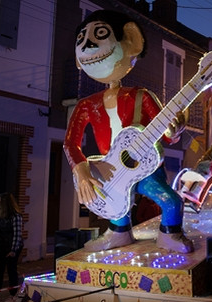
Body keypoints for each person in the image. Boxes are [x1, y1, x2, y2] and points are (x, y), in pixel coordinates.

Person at [63, 10, 192, 253]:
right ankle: (118, 231)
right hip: (109, 172)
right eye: (81, 39)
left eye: (100, 34)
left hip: (145, 168)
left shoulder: (141, 96)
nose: (88, 44)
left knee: (171, 202)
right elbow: (71, 143)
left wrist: (176, 128)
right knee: (116, 206)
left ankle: (170, 234)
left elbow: (166, 135)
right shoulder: (85, 105)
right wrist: (81, 171)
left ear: (132, 42)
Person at [0, 192, 23, 302]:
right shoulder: (0, 215)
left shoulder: (15, 216)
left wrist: (13, 250)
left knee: (11, 270)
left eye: (0, 201)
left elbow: (17, 234)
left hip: (12, 246)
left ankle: (13, 295)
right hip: (2, 246)